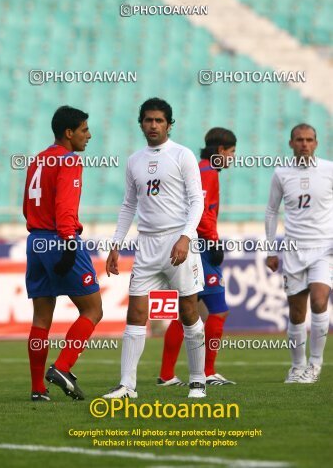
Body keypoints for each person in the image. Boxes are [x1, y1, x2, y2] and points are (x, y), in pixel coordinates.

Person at [102, 97, 206, 399]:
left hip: (177, 241)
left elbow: (196, 201)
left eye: (159, 120)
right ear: (141, 124)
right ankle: (127, 385)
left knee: (188, 311)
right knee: (136, 312)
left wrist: (186, 237)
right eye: (148, 120)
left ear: (169, 124)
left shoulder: (182, 155)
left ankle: (197, 380)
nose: (153, 125)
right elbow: (128, 205)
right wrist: (116, 244)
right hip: (146, 244)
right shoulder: (134, 160)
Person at [24, 106, 103, 401]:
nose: (89, 135)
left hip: (36, 242)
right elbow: (65, 208)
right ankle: (62, 366)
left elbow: (27, 207)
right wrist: (69, 243)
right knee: (93, 309)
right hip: (60, 239)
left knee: (41, 319)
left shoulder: (38, 160)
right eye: (84, 129)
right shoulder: (69, 160)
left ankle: (37, 389)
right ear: (69, 133)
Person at [158, 128, 237, 387]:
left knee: (185, 312)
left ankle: (167, 374)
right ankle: (207, 371)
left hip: (188, 244)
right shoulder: (207, 173)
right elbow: (201, 211)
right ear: (222, 151)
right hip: (200, 246)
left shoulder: (201, 169)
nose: (232, 159)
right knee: (219, 310)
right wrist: (213, 240)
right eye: (232, 153)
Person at [265, 123, 333, 383]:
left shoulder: (329, 170)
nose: (305, 144)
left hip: (324, 249)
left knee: (318, 301)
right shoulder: (281, 173)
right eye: (299, 140)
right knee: (296, 313)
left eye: (309, 140)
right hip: (293, 249)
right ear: (291, 143)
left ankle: (315, 365)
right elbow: (271, 211)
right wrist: (271, 248)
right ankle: (297, 366)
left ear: (316, 143)